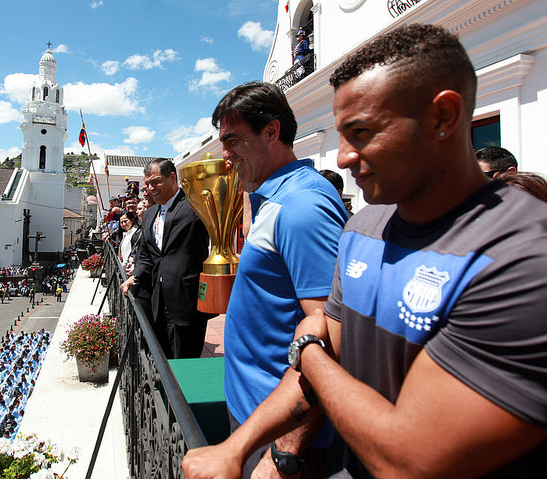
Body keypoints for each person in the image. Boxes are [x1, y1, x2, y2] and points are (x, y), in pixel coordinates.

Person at [183, 24, 547, 479]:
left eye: (361, 132)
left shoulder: (524, 260)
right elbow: (323, 335)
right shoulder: (365, 227)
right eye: (340, 134)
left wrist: (307, 362)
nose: (342, 158)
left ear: (443, 117)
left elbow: (408, 460)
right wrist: (237, 446)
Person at [212, 81, 348, 477]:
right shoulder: (273, 196)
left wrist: (284, 454)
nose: (225, 156)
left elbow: (329, 335)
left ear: (272, 132)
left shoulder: (303, 206)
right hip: (257, 416)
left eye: (233, 141)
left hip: (284, 437)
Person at [120, 158, 214, 359]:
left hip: (187, 302)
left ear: (172, 177)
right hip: (156, 300)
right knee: (162, 358)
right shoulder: (150, 213)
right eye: (147, 184)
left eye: (155, 182)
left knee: (186, 363)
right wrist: (134, 275)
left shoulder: (195, 206)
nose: (151, 188)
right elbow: (145, 255)